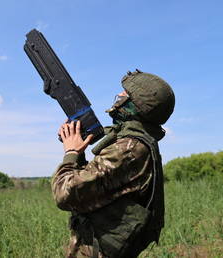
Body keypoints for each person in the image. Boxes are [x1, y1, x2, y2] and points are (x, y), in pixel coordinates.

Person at [51, 70, 175, 258]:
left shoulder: (128, 149)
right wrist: (80, 152)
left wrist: (71, 153)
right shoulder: (134, 142)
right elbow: (93, 190)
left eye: (124, 95)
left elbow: (65, 194)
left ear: (135, 105)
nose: (118, 97)